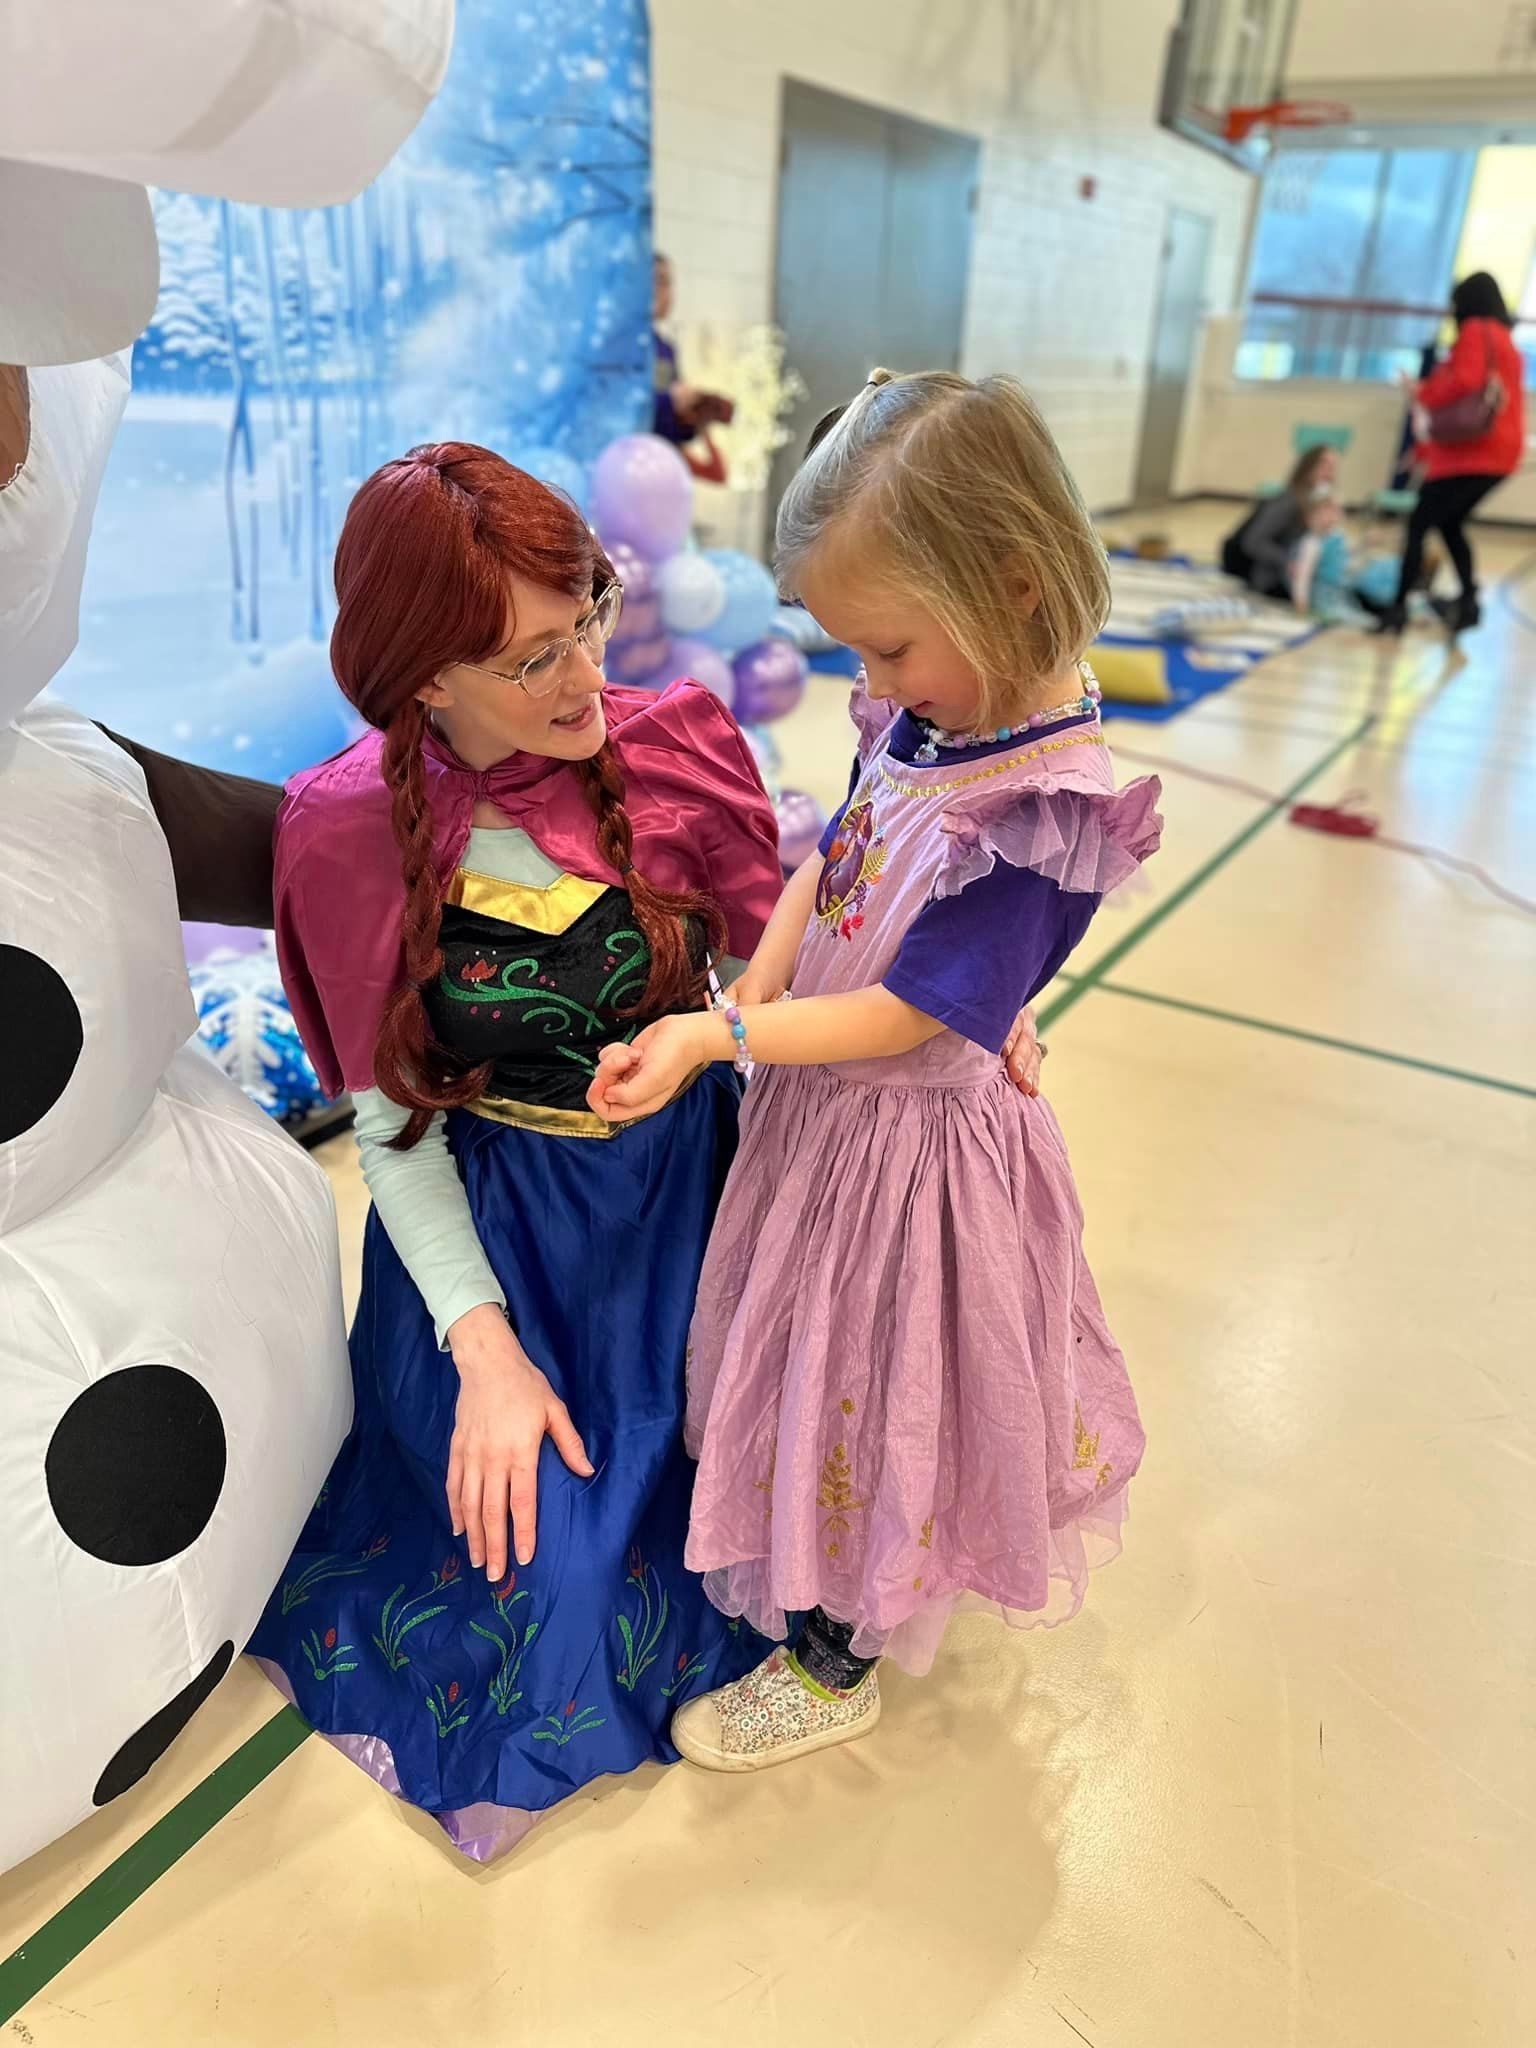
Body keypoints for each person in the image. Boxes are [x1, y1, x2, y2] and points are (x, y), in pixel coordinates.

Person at [586, 370, 1162, 1771]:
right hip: (822, 1119)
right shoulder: (932, 715)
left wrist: (724, 1034)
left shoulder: (1036, 806)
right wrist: (765, 977)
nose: (873, 686)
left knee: (875, 1384)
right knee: (798, 1360)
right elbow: (836, 858)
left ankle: (838, 1657)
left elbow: (909, 1016)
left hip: (906, 1164)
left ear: (1012, 589)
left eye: (892, 649)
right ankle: (798, 1554)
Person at [1375, 272, 1526, 637]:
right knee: (1448, 523)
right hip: (1498, 453)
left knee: (1419, 525)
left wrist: (1424, 391)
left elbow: (1464, 384)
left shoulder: (1476, 331)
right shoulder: (1505, 339)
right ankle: (1469, 602)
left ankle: (1398, 609)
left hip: (1474, 454)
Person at [651, 251, 734, 483]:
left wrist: (693, 415)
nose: (666, 291)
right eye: (659, 280)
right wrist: (670, 402)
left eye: (669, 282)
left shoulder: (665, 349)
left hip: (659, 472)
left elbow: (672, 431)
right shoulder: (617, 347)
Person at [1220, 443, 1340, 596]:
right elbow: (1253, 541)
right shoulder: (1289, 501)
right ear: (1308, 467)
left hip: (1298, 569)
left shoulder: (1321, 501)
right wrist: (1288, 562)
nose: (1330, 472)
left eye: (1333, 467)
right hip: (1270, 575)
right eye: (1324, 465)